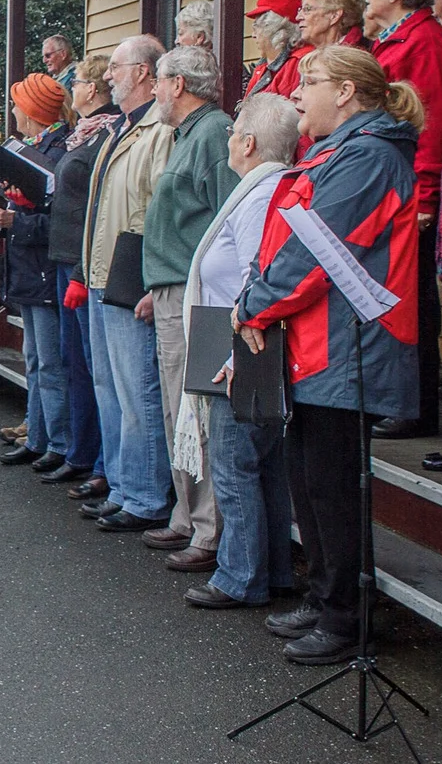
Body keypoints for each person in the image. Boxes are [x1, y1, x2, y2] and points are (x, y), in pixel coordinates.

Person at [235, 46, 423, 665]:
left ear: (345, 92)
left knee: (336, 489)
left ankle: (347, 615)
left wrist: (254, 307)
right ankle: (325, 597)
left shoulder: (367, 156)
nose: (296, 94)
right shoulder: (339, 152)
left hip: (353, 351)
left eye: (309, 82)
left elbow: (315, 252)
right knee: (310, 482)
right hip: (320, 346)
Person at [172, 93, 300, 609]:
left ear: (248, 143)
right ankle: (273, 574)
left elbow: (257, 275)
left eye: (234, 131)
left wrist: (231, 358)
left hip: (239, 348)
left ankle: (240, 577)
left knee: (235, 465)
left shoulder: (263, 193)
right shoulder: (263, 188)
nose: (228, 137)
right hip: (230, 340)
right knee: (261, 465)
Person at [140, 45, 238, 570]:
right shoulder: (187, 135)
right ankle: (187, 515)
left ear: (178, 84)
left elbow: (230, 219)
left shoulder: (215, 134)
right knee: (178, 411)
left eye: (157, 80)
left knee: (194, 413)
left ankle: (208, 529)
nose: (154, 89)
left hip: (198, 296)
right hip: (171, 288)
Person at [79, 35, 174, 532]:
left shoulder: (160, 129)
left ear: (143, 72)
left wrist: (150, 283)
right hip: (101, 274)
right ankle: (122, 485)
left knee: (138, 390)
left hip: (129, 277)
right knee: (109, 387)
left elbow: (160, 212)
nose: (107, 76)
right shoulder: (120, 127)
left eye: (115, 67)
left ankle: (145, 495)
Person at [363, 0, 442, 441]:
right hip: (388, 191)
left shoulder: (423, 41)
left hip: (408, 194)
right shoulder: (393, 40)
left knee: (412, 298)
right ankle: (396, 397)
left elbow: (433, 122)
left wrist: (422, 197)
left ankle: (416, 406)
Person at [0, 74, 73, 473]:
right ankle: (39, 434)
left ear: (33, 113)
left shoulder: (55, 155)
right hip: (27, 270)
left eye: (17, 107)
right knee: (36, 358)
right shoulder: (38, 149)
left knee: (49, 361)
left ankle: (56, 442)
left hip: (42, 270)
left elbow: (60, 221)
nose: (12, 113)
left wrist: (15, 222)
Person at [51, 54, 121, 489]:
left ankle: (99, 462)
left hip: (85, 263)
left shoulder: (105, 135)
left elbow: (94, 210)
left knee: (92, 367)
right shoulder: (81, 137)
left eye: (75, 82)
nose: (70, 90)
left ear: (91, 89)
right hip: (65, 258)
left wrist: (80, 269)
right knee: (73, 362)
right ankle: (81, 453)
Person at [244, 0, 312, 98]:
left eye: (257, 28)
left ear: (276, 29)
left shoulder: (301, 63)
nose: (253, 35)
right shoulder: (263, 66)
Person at [296, 0, 368, 50]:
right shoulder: (312, 55)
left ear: (335, 16)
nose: (298, 17)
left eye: (307, 9)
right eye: (300, 10)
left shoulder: (354, 57)